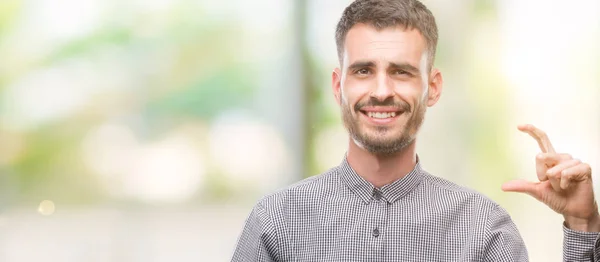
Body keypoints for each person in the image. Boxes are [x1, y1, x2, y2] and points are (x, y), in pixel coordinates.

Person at [231, 0, 600, 261]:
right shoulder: (277, 221)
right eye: (363, 70)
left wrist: (583, 225)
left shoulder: (485, 231)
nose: (381, 90)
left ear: (433, 87)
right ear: (338, 85)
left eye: (401, 71)